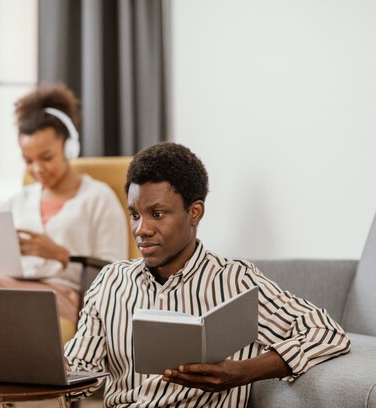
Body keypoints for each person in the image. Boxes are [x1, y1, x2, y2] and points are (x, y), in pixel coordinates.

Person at [64, 142, 351, 407]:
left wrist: (243, 372)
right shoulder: (111, 281)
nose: (142, 229)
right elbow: (80, 371)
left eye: (158, 214)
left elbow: (327, 333)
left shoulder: (235, 281)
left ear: (195, 212)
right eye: (135, 215)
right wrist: (49, 370)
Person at [0, 83, 128, 362]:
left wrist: (61, 255)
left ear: (70, 147)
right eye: (28, 161)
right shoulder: (18, 201)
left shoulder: (98, 198)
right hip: (11, 285)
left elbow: (117, 271)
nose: (37, 169)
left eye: (46, 157)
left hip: (65, 294)